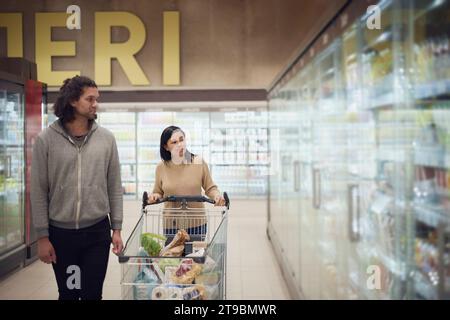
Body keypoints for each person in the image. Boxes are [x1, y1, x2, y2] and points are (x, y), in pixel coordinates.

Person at [31, 75, 124, 300]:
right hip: (61, 236)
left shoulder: (106, 139)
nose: (95, 104)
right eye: (89, 99)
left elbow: (114, 184)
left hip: (96, 232)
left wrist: (117, 228)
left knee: (92, 294)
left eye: (96, 99)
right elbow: (38, 190)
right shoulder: (46, 140)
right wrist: (42, 237)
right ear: (73, 101)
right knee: (70, 294)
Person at [148, 126, 225, 238]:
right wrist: (154, 196)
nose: (179, 144)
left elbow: (210, 188)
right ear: (166, 147)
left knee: (195, 255)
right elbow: (158, 191)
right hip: (171, 226)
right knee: (173, 255)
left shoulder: (198, 162)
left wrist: (217, 196)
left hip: (197, 224)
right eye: (174, 142)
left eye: (181, 139)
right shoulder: (161, 167)